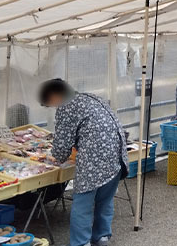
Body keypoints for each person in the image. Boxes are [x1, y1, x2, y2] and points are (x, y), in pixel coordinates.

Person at [39, 79, 128, 246]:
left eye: (50, 103)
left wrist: (55, 156)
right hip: (116, 152)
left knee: (83, 204)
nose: (53, 107)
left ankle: (81, 242)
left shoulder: (66, 105)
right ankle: (102, 237)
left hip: (95, 158)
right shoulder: (90, 97)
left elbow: (61, 147)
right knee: (105, 199)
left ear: (54, 95)